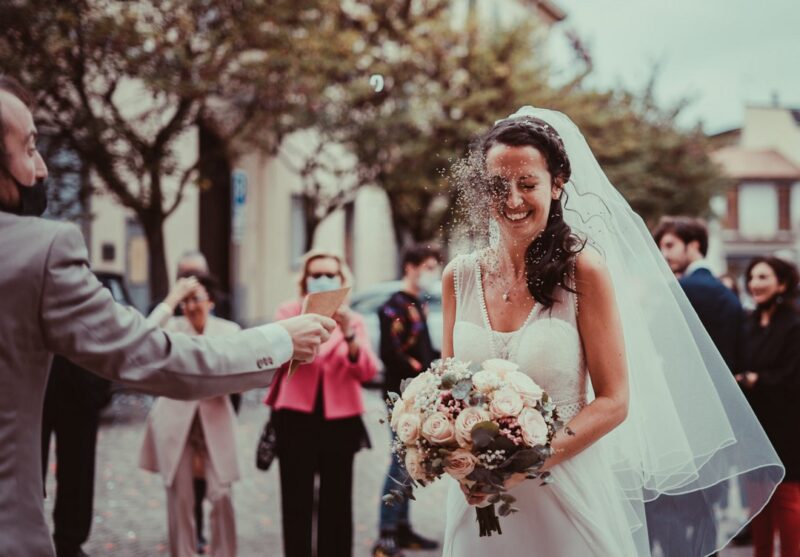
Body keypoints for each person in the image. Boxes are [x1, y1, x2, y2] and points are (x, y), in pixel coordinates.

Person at [0, 75, 335, 557]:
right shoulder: (41, 249)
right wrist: (278, 340)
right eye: (30, 147)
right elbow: (152, 356)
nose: (42, 167)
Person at [440, 107, 783, 556]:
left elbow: (614, 401)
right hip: (477, 500)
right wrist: (450, 451)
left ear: (557, 184)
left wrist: (526, 462)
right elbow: (447, 391)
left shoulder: (583, 272)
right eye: (499, 186)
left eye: (527, 185)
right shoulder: (459, 277)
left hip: (564, 491)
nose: (513, 200)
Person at [264, 250, 378, 557]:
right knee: (296, 501)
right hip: (295, 417)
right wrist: (306, 323)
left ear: (342, 280)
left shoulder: (353, 320)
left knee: (337, 503)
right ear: (305, 279)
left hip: (340, 420)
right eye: (316, 274)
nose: (323, 279)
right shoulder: (288, 312)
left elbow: (366, 370)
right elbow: (278, 358)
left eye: (330, 274)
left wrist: (348, 332)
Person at [140, 275, 243, 557]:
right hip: (174, 422)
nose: (190, 306)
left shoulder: (229, 331)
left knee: (221, 494)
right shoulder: (172, 329)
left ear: (210, 301)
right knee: (180, 499)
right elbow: (142, 336)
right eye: (185, 300)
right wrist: (171, 299)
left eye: (196, 298)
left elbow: (237, 374)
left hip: (215, 421)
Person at [373, 245, 442, 557]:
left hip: (418, 392)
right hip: (399, 394)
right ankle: (386, 535)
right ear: (411, 267)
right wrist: (420, 372)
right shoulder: (392, 306)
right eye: (428, 266)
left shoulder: (418, 303)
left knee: (411, 459)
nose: (432, 273)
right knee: (401, 461)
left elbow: (426, 350)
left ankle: (402, 529)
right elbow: (391, 355)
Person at [738, 256, 800, 557]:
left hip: (788, 426)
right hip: (755, 424)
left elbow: (793, 376)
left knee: (788, 504)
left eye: (763, 277)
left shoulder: (795, 324)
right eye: (752, 277)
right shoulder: (748, 322)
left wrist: (755, 379)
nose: (754, 284)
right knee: (758, 504)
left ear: (782, 284)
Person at [41, 355, 111, 557]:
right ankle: (25, 532)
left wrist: (101, 380)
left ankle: (70, 543)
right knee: (28, 469)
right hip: (34, 380)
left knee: (78, 467)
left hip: (82, 380)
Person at [654, 216, 743, 371]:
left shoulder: (680, 289)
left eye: (670, 246)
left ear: (694, 246)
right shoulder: (726, 291)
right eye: (661, 248)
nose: (664, 255)